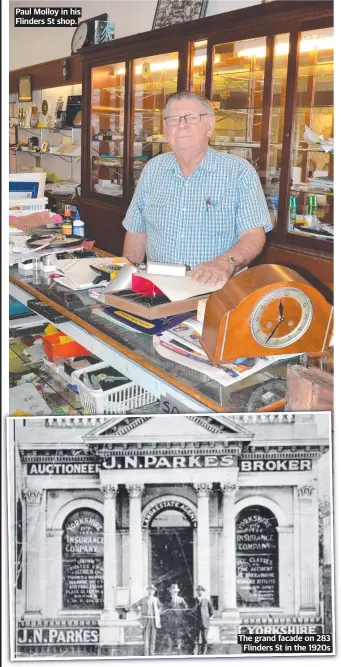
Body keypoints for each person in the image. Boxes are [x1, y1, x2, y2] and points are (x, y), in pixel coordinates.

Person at [123, 90, 272, 286]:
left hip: (216, 291)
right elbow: (136, 232)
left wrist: (223, 264)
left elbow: (253, 235)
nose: (182, 125)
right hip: (158, 289)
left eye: (192, 118)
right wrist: (125, 282)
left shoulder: (238, 172)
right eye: (173, 119)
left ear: (210, 127)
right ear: (166, 129)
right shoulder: (153, 169)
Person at [135, 584, 162, 656]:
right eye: (149, 590)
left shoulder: (156, 600)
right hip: (145, 620)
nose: (150, 592)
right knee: (146, 639)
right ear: (147, 591)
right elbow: (136, 605)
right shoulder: (143, 599)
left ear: (154, 592)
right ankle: (146, 655)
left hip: (154, 620)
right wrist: (139, 609)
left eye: (152, 591)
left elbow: (161, 607)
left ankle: (152, 654)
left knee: (153, 638)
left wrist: (158, 613)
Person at [166, 583, 188, 654]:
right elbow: (165, 609)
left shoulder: (181, 599)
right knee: (170, 635)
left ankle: (179, 650)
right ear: (170, 591)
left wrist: (182, 610)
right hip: (171, 620)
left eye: (176, 591)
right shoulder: (168, 599)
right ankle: (170, 650)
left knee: (179, 635)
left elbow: (186, 609)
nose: (175, 592)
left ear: (177, 592)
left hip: (179, 620)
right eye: (173, 591)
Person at [192, 585, 213, 655]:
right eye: (198, 590)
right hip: (196, 623)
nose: (199, 592)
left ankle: (203, 654)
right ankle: (195, 654)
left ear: (203, 592)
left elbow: (211, 612)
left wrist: (205, 617)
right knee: (195, 639)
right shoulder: (193, 600)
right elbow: (190, 610)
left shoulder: (207, 601)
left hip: (205, 623)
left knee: (204, 639)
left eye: (201, 590)